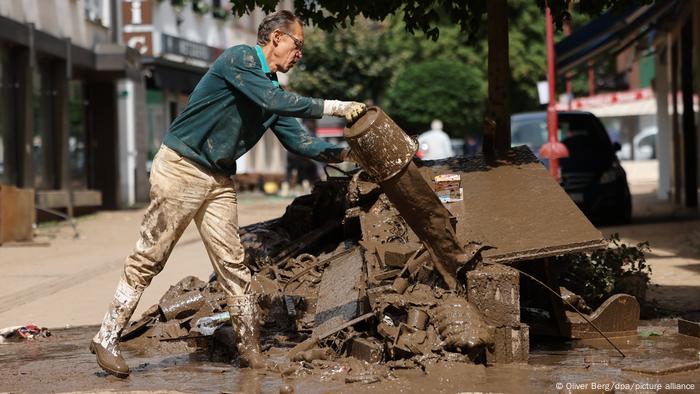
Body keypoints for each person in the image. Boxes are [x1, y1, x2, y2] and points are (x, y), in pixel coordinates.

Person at [90, 10, 366, 378]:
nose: (299, 54)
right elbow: (275, 102)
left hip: (218, 178)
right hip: (182, 166)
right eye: (298, 45)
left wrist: (349, 154)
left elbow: (299, 141)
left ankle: (250, 349)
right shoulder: (239, 59)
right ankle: (106, 337)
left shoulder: (271, 94)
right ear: (277, 38)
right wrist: (334, 107)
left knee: (234, 265)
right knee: (150, 255)